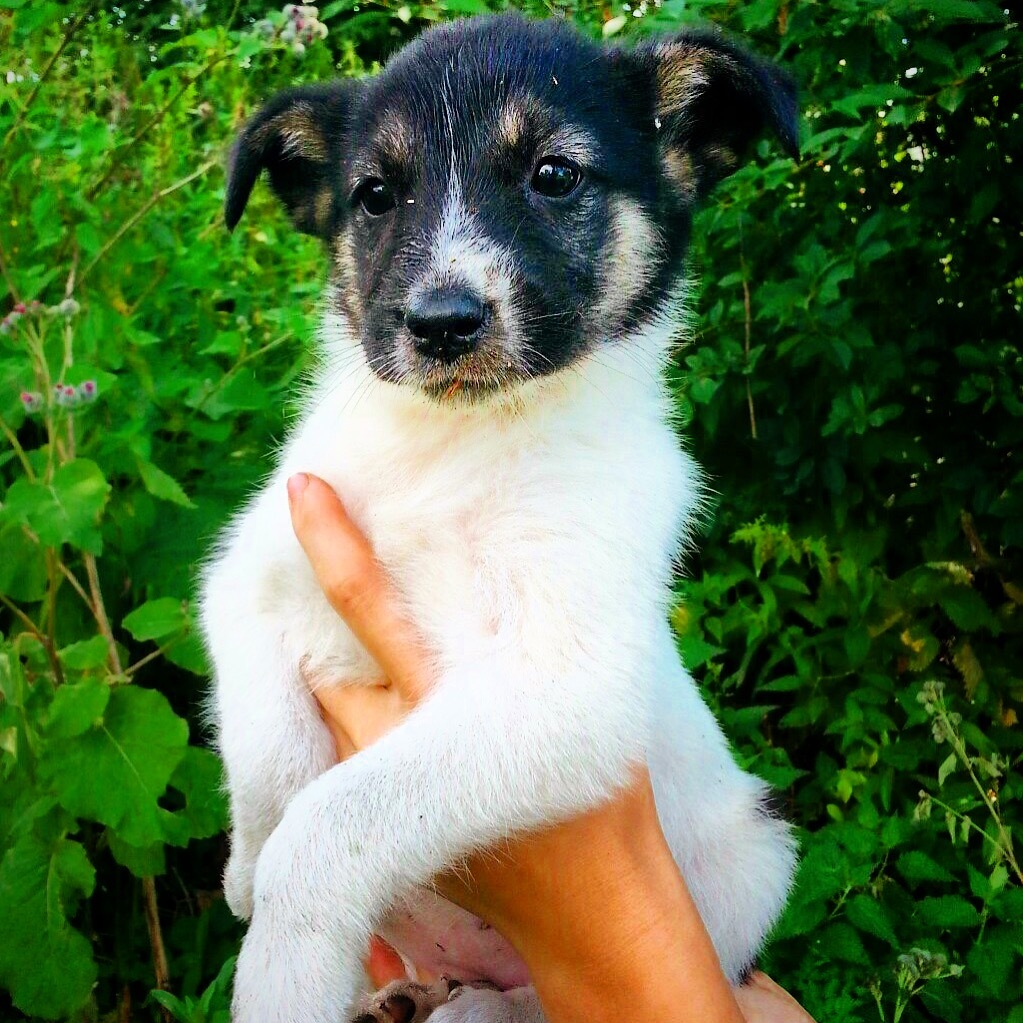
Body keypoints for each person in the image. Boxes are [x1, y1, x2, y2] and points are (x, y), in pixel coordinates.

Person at [286, 472, 816, 1023]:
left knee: (758, 855)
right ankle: (487, 997)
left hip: (648, 865)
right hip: (452, 931)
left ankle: (515, 1005)